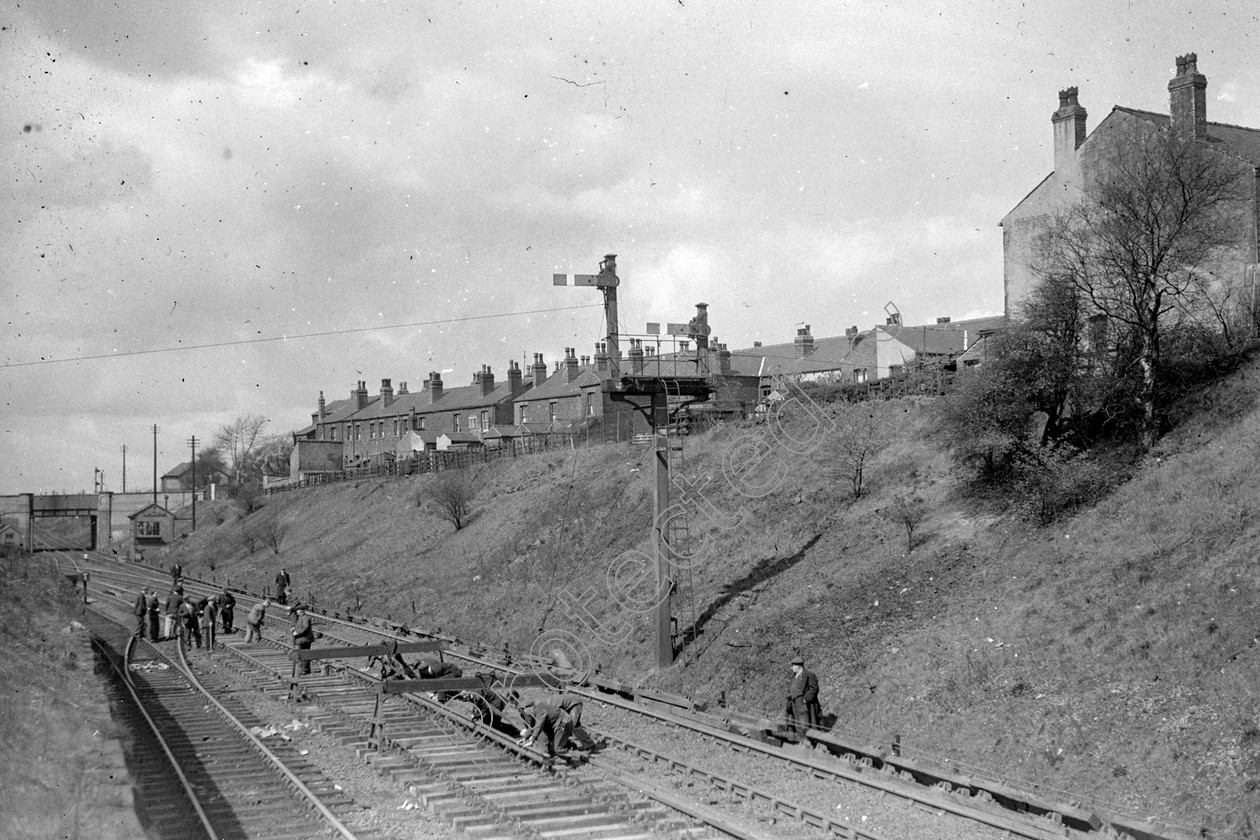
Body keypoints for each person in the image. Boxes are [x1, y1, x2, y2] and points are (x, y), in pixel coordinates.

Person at [786, 657, 820, 745]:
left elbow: (814, 688)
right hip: (794, 702)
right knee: (797, 722)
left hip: (802, 702)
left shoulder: (809, 675)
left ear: (798, 666)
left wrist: (805, 700)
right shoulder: (794, 676)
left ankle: (808, 742)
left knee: (804, 722)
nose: (792, 668)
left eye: (793, 666)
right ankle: (802, 740)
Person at [291, 605, 315, 674]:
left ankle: (304, 670)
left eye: (297, 610)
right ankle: (305, 669)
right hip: (302, 639)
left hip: (305, 639)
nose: (296, 612)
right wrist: (294, 629)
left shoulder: (305, 618)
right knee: (303, 653)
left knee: (304, 654)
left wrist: (297, 632)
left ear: (301, 611)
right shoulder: (301, 617)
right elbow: (300, 626)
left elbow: (305, 627)